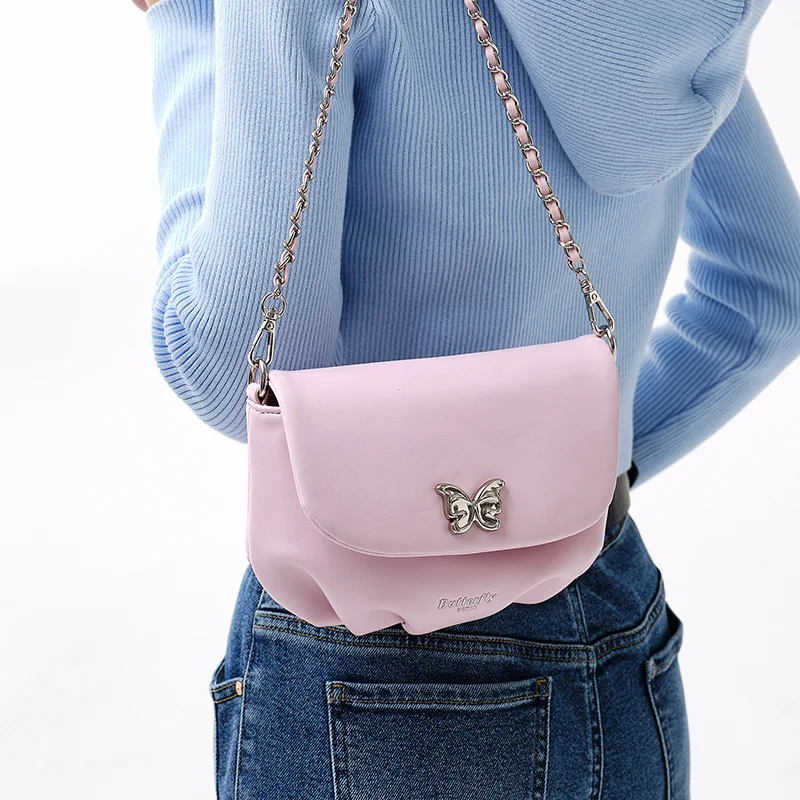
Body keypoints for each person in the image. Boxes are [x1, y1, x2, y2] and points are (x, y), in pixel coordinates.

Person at [137, 0, 800, 797]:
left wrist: (185, 19)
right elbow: (771, 292)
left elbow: (235, 369)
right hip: (614, 608)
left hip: (369, 653)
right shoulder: (675, 22)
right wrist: (553, 490)